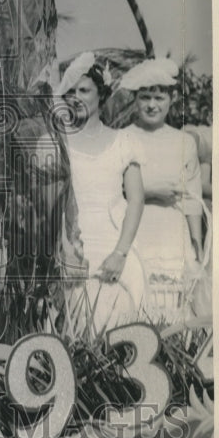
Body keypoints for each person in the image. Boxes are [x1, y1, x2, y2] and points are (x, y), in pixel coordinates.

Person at [54, 52, 146, 337]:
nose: (75, 97)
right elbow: (52, 201)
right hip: (73, 242)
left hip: (113, 240)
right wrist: (63, 246)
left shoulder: (123, 141)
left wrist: (120, 253)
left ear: (101, 94)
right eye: (70, 91)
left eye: (84, 90)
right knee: (74, 326)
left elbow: (136, 200)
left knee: (116, 325)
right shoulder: (58, 141)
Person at [120, 58, 205, 323]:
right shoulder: (123, 138)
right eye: (145, 97)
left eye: (158, 97)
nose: (152, 105)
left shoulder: (184, 142)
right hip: (135, 229)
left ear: (171, 99)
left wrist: (197, 244)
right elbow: (113, 190)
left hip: (171, 229)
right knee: (136, 303)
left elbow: (192, 197)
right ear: (135, 101)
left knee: (174, 303)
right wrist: (151, 191)